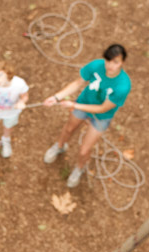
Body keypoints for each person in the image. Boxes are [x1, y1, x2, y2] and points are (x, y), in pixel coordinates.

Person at [42, 43, 131, 188]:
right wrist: (56, 97)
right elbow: (78, 83)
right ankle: (59, 146)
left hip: (102, 116)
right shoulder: (96, 66)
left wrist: (74, 105)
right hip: (84, 102)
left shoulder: (123, 86)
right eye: (108, 61)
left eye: (115, 62)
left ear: (122, 62)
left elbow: (103, 108)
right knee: (68, 129)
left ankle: (79, 168)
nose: (110, 65)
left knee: (84, 150)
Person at [0, 61, 29, 159]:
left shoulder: (19, 83)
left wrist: (22, 102)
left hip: (12, 112)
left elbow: (25, 96)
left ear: (7, 72)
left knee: (8, 126)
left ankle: (6, 139)